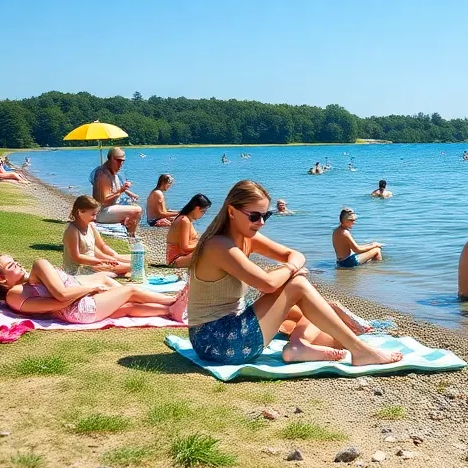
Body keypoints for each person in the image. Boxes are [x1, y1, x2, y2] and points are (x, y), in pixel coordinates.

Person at [185, 179, 402, 366]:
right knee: (298, 284)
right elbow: (268, 284)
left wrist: (291, 268)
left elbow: (295, 254)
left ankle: (299, 345)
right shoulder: (219, 245)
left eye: (265, 216)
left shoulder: (246, 239)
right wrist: (290, 270)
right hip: (215, 340)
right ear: (231, 212)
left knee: (334, 336)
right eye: (254, 216)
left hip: (230, 330)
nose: (260, 222)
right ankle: (360, 352)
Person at [0, 254, 186, 323]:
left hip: (79, 309)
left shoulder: (19, 291)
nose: (18, 264)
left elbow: (56, 301)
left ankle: (169, 311)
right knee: (129, 291)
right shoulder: (16, 294)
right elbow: (60, 297)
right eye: (12, 265)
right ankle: (172, 300)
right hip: (80, 308)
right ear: (1, 279)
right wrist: (92, 289)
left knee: (126, 308)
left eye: (15, 261)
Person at [63, 195, 130, 277]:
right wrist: (101, 261)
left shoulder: (90, 226)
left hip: (93, 263)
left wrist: (114, 256)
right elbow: (76, 257)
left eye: (96, 214)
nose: (95, 218)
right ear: (80, 211)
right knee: (132, 266)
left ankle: (118, 271)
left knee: (134, 260)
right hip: (79, 269)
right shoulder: (72, 231)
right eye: (92, 215)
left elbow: (101, 246)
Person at [91, 148, 141, 235]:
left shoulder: (112, 172)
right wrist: (121, 190)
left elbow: (114, 189)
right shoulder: (103, 175)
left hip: (110, 208)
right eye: (118, 161)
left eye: (122, 161)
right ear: (110, 159)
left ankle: (129, 232)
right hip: (101, 212)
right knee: (137, 210)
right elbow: (104, 200)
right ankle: (131, 237)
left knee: (133, 205)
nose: (120, 164)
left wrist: (126, 191)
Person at [166, 194, 211, 267]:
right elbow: (185, 248)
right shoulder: (184, 220)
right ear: (196, 208)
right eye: (202, 211)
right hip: (176, 259)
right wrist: (202, 244)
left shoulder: (186, 219)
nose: (203, 214)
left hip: (182, 257)